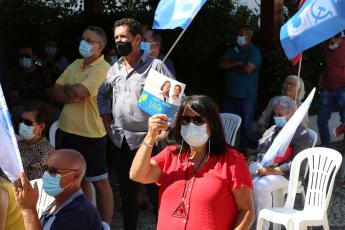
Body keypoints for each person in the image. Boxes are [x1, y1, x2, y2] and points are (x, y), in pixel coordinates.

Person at [129, 95, 255, 230]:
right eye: (185, 120)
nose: (191, 125)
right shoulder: (170, 155)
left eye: (198, 120)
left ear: (212, 124)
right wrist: (150, 137)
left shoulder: (231, 160)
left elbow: (247, 210)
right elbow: (137, 175)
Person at [97, 18, 174, 230]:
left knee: (156, 194)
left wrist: (163, 130)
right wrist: (107, 124)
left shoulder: (155, 66)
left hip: (148, 141)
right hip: (121, 140)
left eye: (123, 37)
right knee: (127, 195)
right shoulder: (115, 68)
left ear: (138, 39)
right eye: (116, 37)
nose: (119, 41)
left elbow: (172, 102)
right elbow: (102, 95)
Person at [51, 26, 113, 226]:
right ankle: (86, 222)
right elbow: (55, 91)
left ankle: (104, 225)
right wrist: (72, 93)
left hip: (91, 134)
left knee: (100, 182)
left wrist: (70, 93)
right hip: (67, 131)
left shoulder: (104, 69)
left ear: (100, 46)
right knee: (80, 181)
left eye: (89, 40)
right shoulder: (76, 63)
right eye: (83, 39)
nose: (84, 43)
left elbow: (78, 92)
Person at [251, 96, 311, 230]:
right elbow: (260, 149)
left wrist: (270, 171)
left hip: (288, 175)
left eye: (280, 115)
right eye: (275, 114)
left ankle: (263, 227)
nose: (276, 117)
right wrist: (254, 164)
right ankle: (249, 220)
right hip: (266, 169)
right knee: (243, 181)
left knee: (260, 186)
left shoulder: (300, 133)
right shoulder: (272, 129)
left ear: (292, 114)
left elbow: (297, 162)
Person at [13, 149, 103, 230]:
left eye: (53, 171)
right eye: (45, 169)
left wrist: (29, 210)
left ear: (76, 176)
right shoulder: (57, 205)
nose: (46, 174)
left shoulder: (79, 213)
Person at [219, 25, 262, 153]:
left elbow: (248, 69)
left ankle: (243, 151)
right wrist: (237, 64)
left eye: (242, 35)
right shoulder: (234, 49)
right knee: (227, 124)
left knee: (246, 126)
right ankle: (227, 150)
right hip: (230, 95)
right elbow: (221, 63)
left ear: (249, 37)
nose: (239, 37)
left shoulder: (254, 52)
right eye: (238, 34)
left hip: (246, 96)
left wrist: (231, 66)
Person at [317, 32, 345, 147]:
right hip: (328, 88)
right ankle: (326, 148)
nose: (330, 45)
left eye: (332, 42)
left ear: (340, 39)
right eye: (328, 42)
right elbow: (327, 64)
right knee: (321, 120)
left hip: (343, 87)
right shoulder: (325, 46)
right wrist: (323, 76)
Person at [18, 101, 54, 180]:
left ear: (41, 127)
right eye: (21, 120)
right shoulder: (18, 143)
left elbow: (33, 186)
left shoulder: (45, 153)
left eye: (27, 123)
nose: (22, 125)